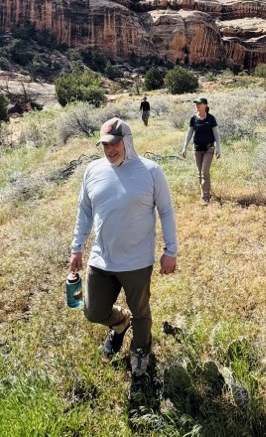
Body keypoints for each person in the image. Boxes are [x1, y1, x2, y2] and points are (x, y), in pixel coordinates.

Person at [69, 117, 178, 377]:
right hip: (101, 258)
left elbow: (166, 211)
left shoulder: (150, 171)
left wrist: (170, 250)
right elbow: (84, 211)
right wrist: (77, 248)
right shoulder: (93, 170)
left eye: (114, 143)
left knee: (141, 311)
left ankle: (140, 352)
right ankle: (120, 322)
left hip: (136, 261)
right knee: (93, 310)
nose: (109, 150)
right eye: (105, 145)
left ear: (127, 141)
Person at [180, 96, 221, 204]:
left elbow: (216, 134)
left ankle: (205, 197)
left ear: (205, 105)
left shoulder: (210, 118)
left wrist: (218, 148)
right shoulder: (193, 118)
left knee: (205, 171)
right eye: (196, 103)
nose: (197, 105)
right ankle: (205, 191)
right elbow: (189, 133)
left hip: (209, 148)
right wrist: (184, 147)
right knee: (200, 173)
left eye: (199, 103)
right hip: (197, 149)